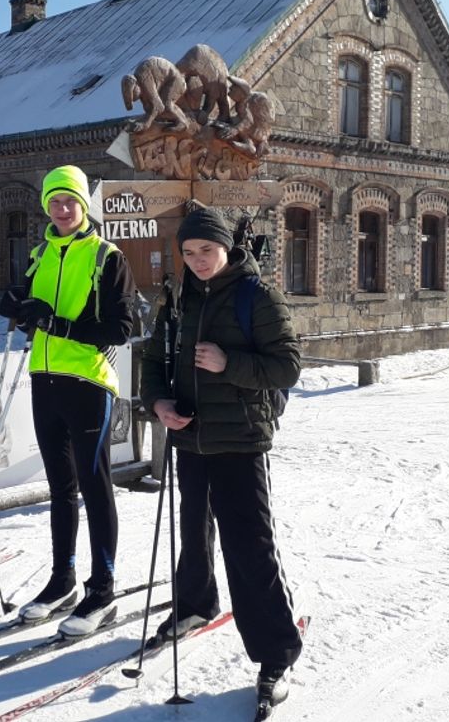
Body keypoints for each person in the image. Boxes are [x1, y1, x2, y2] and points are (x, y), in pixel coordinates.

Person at [139, 204, 303, 706]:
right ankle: (194, 602)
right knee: (191, 528)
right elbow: (152, 357)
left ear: (226, 248)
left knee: (248, 546)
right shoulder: (178, 297)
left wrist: (229, 363)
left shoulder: (257, 295)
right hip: (189, 436)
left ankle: (276, 653)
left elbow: (288, 367)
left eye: (206, 250)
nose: (197, 261)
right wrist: (158, 402)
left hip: (240, 440)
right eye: (188, 253)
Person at [0, 165, 136, 636]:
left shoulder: (105, 256)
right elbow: (35, 313)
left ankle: (103, 589)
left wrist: (58, 325)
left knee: (95, 485)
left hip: (88, 383)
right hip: (45, 379)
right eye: (54, 202)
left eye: (70, 202)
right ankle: (63, 580)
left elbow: (121, 328)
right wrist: (18, 306)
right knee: (60, 488)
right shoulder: (39, 255)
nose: (62, 209)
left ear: (83, 206)